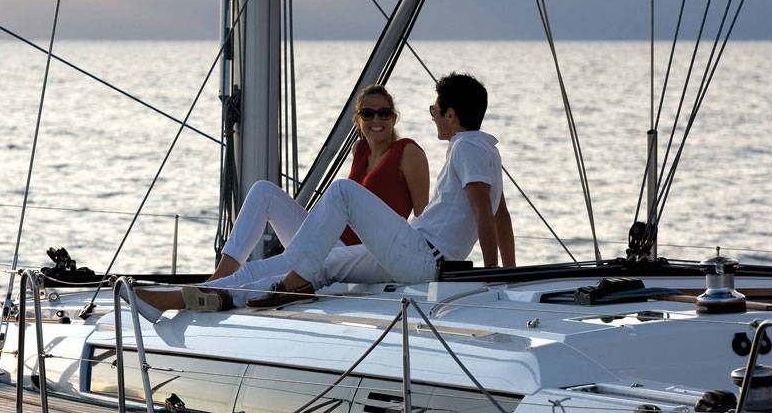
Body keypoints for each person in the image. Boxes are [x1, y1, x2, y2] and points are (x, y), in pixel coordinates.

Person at [134, 85, 428, 319]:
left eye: (384, 113)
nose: (376, 120)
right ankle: (219, 277)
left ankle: (182, 299)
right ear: (358, 119)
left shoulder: (407, 152)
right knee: (263, 191)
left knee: (254, 271)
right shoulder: (359, 150)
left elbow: (422, 220)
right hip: (329, 240)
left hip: (353, 255)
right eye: (368, 114)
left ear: (394, 118)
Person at [241, 71, 514, 308]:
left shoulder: (466, 148)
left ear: (451, 115)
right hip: (418, 252)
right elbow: (500, 215)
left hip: (424, 255)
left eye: (434, 110)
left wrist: (490, 275)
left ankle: (289, 286)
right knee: (328, 262)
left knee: (343, 192)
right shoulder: (485, 151)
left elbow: (483, 213)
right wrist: (512, 273)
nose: (433, 117)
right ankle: (233, 292)